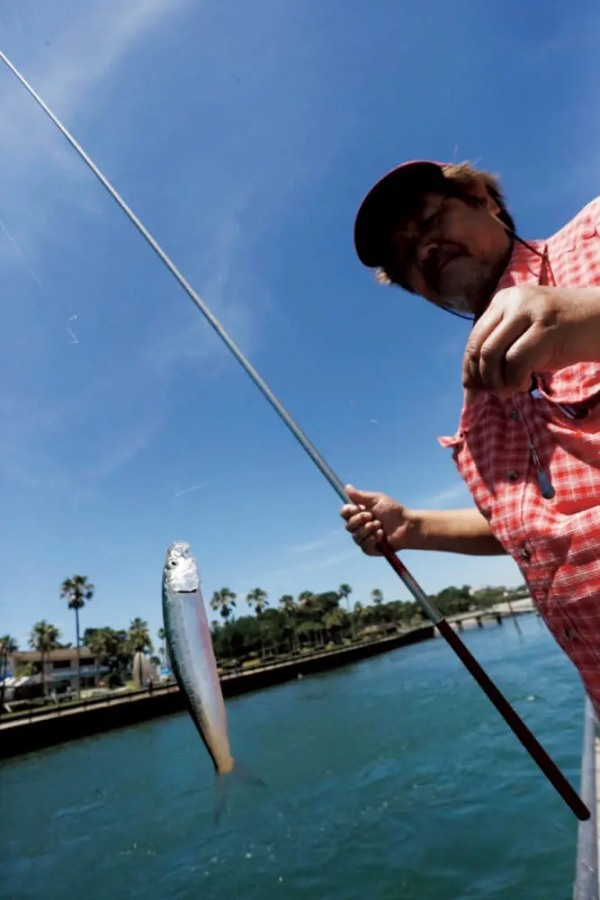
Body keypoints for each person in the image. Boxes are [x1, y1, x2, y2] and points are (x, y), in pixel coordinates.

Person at [340, 159, 600, 710]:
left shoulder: (593, 233)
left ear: (484, 199)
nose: (423, 250)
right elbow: (534, 531)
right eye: (405, 258)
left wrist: (587, 322)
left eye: (429, 220)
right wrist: (411, 526)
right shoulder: (475, 410)